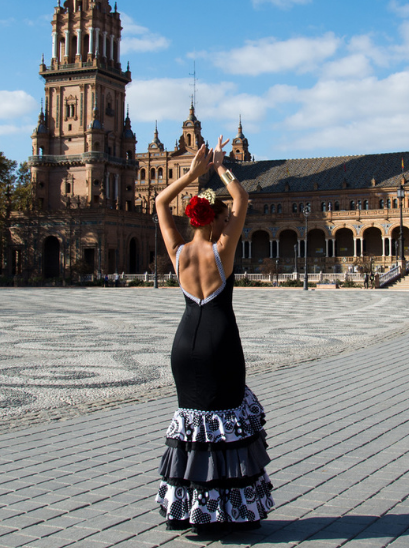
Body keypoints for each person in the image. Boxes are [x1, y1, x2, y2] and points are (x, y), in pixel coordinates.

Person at [153, 136, 274, 532]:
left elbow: (158, 204)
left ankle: (188, 510)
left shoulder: (180, 252)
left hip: (184, 345)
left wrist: (192, 174)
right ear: (214, 219)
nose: (228, 220)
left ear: (192, 219)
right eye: (223, 217)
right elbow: (241, 199)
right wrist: (221, 167)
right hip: (220, 343)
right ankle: (232, 512)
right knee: (227, 425)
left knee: (194, 426)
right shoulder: (223, 249)